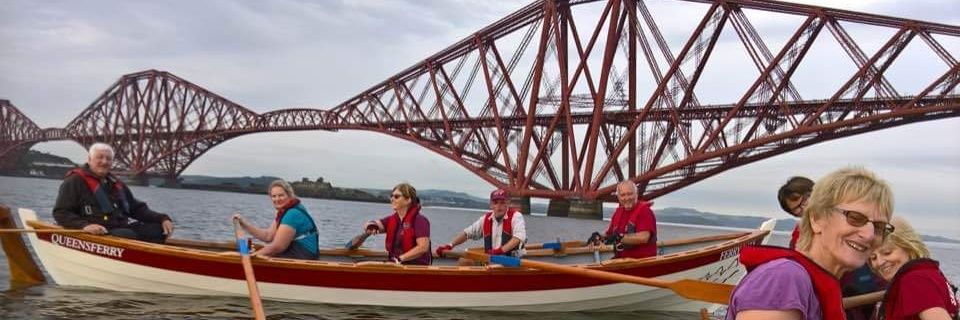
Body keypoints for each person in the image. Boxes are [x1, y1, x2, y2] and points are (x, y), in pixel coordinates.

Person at [726, 167, 894, 320]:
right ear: (816, 219)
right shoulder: (783, 278)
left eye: (879, 227)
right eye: (855, 218)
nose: (870, 235)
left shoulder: (817, 283)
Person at [52, 143, 174, 243]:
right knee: (127, 235)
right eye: (100, 157)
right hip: (96, 232)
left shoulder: (116, 183)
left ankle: (148, 264)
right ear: (89, 160)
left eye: (108, 159)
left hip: (119, 228)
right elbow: (61, 212)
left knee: (157, 230)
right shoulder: (74, 181)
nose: (104, 161)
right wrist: (84, 226)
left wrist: (162, 218)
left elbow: (136, 209)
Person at [869, 217, 958, 320]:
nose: (879, 262)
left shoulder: (914, 280)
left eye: (887, 253)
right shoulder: (929, 273)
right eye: (873, 258)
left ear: (909, 247)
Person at [232, 180, 319, 259]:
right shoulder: (284, 211)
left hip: (303, 256)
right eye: (274, 196)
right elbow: (268, 236)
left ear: (289, 195)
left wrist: (252, 256)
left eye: (281, 195)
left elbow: (277, 246)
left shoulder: (292, 214)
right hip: (297, 253)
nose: (277, 199)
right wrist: (244, 224)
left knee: (268, 252)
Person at [350, 183, 431, 265]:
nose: (392, 199)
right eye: (391, 196)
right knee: (360, 264)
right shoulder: (391, 220)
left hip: (414, 268)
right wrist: (370, 226)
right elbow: (372, 223)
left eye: (396, 196)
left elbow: (423, 247)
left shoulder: (420, 220)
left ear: (408, 200)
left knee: (363, 265)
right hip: (395, 265)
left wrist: (399, 259)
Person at [435, 189, 527, 260]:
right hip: (491, 259)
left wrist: (500, 251)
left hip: (511, 261)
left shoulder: (516, 217)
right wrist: (450, 245)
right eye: (496, 203)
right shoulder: (485, 219)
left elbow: (517, 238)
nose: (499, 206)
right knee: (464, 261)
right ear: (491, 205)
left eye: (502, 203)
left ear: (507, 204)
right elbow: (467, 233)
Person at [588, 181, 657, 259]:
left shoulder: (644, 211)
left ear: (636, 194)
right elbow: (610, 234)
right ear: (618, 197)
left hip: (640, 262)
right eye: (623, 195)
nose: (627, 198)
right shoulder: (618, 212)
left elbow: (644, 237)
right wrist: (598, 237)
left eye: (630, 194)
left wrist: (619, 237)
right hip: (620, 260)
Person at [778, 176, 814, 250]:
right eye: (797, 208)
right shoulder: (799, 233)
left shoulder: (840, 217)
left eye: (804, 200)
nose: (804, 208)